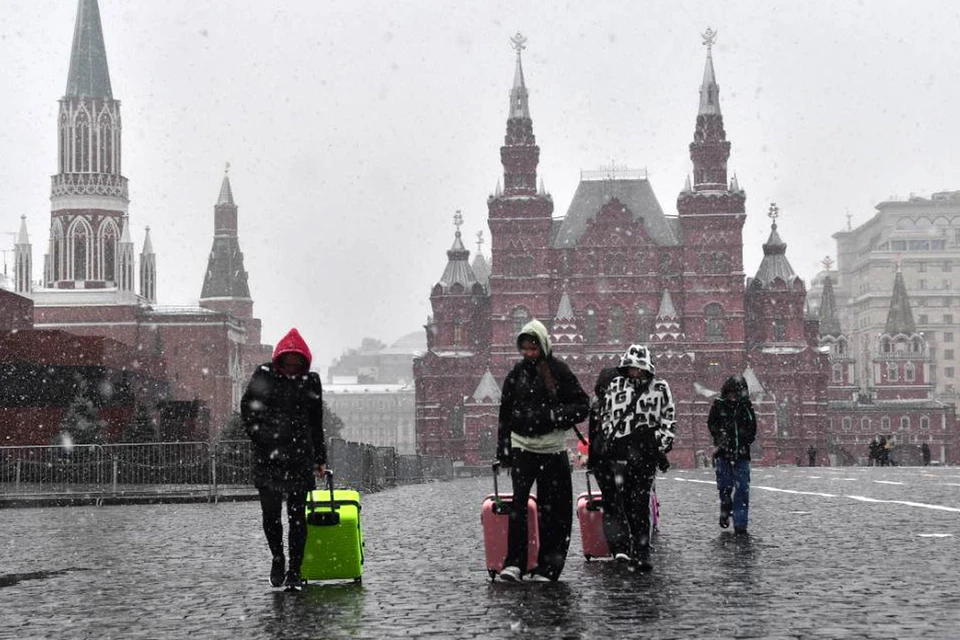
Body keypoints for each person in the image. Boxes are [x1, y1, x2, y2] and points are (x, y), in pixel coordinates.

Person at [497, 319, 589, 582]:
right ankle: (515, 563)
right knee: (519, 507)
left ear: (543, 346)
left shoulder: (559, 370)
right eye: (524, 349)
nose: (528, 354)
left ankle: (548, 567)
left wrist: (553, 416)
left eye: (533, 348)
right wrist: (503, 449)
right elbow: (504, 414)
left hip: (552, 449)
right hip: (522, 447)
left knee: (555, 510)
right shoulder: (516, 373)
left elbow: (582, 405)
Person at [242, 327, 326, 591]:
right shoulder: (264, 375)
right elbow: (248, 411)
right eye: (288, 363)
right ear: (280, 360)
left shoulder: (310, 381)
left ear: (303, 362)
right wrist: (263, 437)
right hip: (269, 458)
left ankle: (295, 570)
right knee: (271, 515)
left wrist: (320, 458)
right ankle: (278, 558)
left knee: (297, 517)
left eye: (296, 364)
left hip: (299, 459)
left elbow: (316, 422)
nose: (292, 369)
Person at [593, 344, 675, 572]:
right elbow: (607, 416)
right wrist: (611, 441)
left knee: (639, 502)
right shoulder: (616, 385)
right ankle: (628, 546)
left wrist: (659, 444)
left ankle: (642, 552)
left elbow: (669, 417)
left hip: (646, 455)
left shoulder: (660, 387)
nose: (635, 372)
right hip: (621, 454)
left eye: (639, 368)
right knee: (627, 501)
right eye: (631, 368)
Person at [708, 375, 757, 535]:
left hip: (741, 455)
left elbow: (752, 428)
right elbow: (711, 424)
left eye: (736, 393)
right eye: (730, 393)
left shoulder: (746, 407)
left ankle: (740, 524)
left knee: (742, 488)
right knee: (725, 486)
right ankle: (725, 507)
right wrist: (721, 437)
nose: (732, 396)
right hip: (723, 454)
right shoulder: (719, 405)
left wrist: (744, 441)